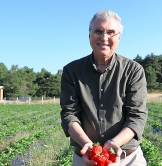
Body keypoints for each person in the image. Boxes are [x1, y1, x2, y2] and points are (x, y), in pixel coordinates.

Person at [60, 10, 148, 166]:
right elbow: (69, 114)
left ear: (119, 38)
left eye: (111, 32)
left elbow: (137, 116)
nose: (104, 37)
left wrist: (115, 143)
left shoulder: (134, 70)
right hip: (86, 158)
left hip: (127, 159)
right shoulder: (71, 71)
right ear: (89, 35)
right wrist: (89, 146)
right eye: (98, 31)